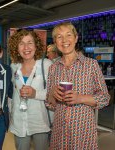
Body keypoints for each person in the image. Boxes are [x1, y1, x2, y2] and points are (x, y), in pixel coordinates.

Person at [46, 22, 110, 150]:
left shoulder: (91, 65)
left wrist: (80, 98)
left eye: (68, 35)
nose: (64, 40)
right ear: (55, 42)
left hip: (83, 132)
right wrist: (52, 94)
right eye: (59, 37)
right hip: (60, 131)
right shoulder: (53, 68)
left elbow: (105, 98)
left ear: (76, 38)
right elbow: (50, 104)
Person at [8, 29, 52, 150]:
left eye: (30, 42)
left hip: (40, 120)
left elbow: (54, 94)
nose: (26, 47)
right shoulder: (13, 67)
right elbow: (11, 94)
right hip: (18, 121)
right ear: (16, 47)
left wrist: (35, 93)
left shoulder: (46, 65)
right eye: (21, 43)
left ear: (36, 45)